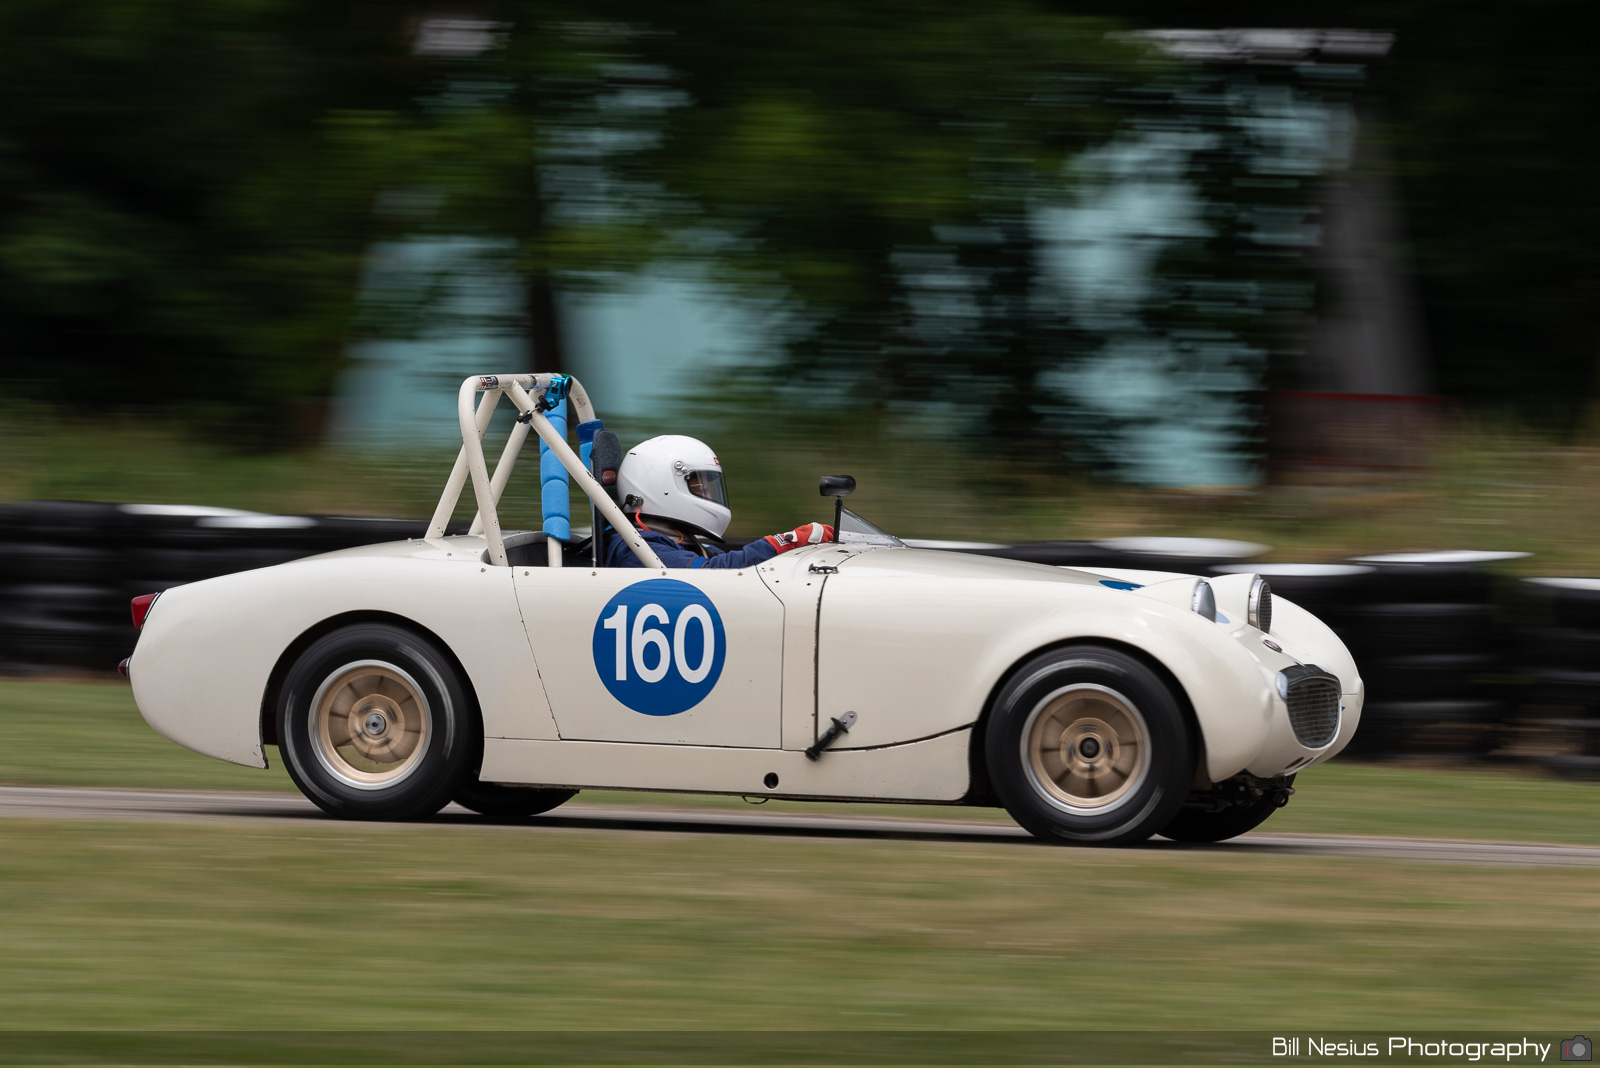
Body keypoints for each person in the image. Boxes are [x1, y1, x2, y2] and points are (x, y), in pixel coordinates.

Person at [602, 435, 833, 569]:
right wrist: (784, 541)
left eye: (707, 486)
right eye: (697, 485)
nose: (706, 492)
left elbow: (729, 560)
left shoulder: (684, 542)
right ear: (659, 484)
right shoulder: (636, 547)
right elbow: (712, 573)